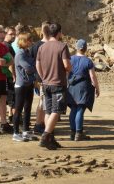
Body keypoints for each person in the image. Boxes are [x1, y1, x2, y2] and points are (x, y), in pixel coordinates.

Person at [36, 22, 71, 150]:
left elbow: (37, 65)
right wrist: (69, 70)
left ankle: (50, 137)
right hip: (57, 83)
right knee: (57, 110)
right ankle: (46, 136)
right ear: (59, 33)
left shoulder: (42, 47)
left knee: (48, 110)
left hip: (46, 83)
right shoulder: (62, 46)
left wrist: (43, 77)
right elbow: (66, 65)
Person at [67, 39, 100, 141]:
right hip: (83, 87)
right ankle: (79, 133)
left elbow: (67, 73)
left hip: (72, 87)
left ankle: (73, 132)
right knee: (80, 109)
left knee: (73, 109)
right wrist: (97, 88)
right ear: (85, 49)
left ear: (77, 48)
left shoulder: (70, 59)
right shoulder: (88, 61)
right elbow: (92, 77)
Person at [12, 31, 38, 142]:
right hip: (21, 85)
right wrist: (35, 67)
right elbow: (29, 68)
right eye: (29, 40)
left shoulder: (27, 52)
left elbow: (33, 65)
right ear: (23, 41)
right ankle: (15, 133)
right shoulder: (20, 54)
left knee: (27, 108)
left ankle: (25, 131)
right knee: (18, 109)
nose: (31, 42)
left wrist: (34, 67)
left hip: (29, 84)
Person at [29, 24, 48, 135]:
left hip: (39, 78)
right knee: (43, 102)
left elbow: (31, 62)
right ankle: (39, 124)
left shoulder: (35, 46)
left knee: (43, 101)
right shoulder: (45, 46)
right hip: (43, 78)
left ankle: (40, 123)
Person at [4, 27, 17, 121]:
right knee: (12, 98)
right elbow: (11, 63)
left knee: (9, 98)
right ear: (5, 34)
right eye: (11, 34)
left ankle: (10, 115)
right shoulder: (7, 46)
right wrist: (14, 75)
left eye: (14, 34)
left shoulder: (7, 45)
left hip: (6, 75)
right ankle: (15, 119)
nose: (13, 36)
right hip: (8, 76)